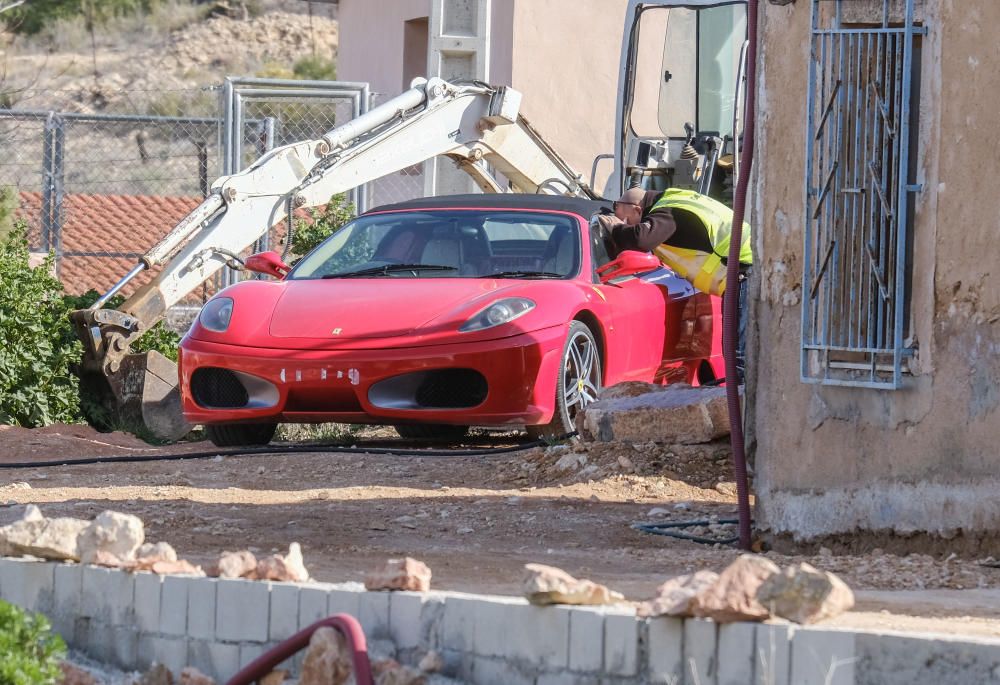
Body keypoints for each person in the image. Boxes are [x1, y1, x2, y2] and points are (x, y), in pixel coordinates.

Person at [598, 186, 753, 381]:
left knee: (738, 359)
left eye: (627, 220)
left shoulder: (666, 211)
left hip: (742, 272)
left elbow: (641, 239)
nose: (626, 225)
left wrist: (618, 229)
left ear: (638, 209)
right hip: (745, 271)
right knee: (740, 356)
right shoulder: (673, 201)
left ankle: (745, 407)